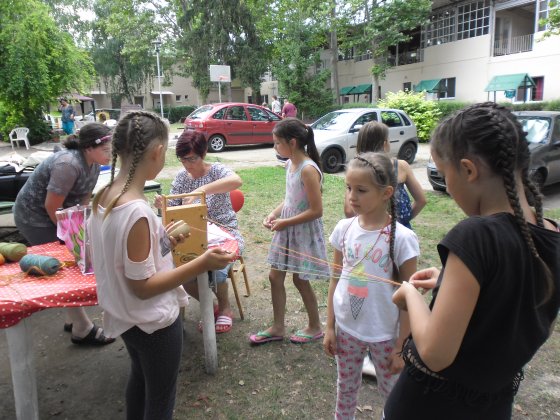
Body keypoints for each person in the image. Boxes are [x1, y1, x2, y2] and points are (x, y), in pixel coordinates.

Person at [385, 102, 560, 419]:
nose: (447, 186)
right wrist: (452, 282)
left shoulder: (477, 235)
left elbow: (435, 354)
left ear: (468, 170)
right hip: (492, 408)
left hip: (428, 408)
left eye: (444, 172)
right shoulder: (552, 235)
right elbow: (524, 317)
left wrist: (411, 296)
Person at [89, 111, 233, 420]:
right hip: (152, 323)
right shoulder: (138, 212)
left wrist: (163, 244)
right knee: (160, 400)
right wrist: (202, 263)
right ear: (156, 152)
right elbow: (142, 288)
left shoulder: (104, 197)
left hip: (127, 320)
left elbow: (121, 259)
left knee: (140, 380)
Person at [324, 152, 419, 418]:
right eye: (349, 188)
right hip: (347, 329)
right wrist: (330, 326)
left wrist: (401, 346)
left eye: (361, 190)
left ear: (387, 192)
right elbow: (335, 279)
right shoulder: (343, 229)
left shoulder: (402, 239)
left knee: (392, 393)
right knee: (346, 388)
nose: (352, 196)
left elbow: (409, 297)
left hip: (386, 335)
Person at [13, 123, 115, 345]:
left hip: (59, 215)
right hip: (35, 216)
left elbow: (84, 200)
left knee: (72, 258)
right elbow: (52, 207)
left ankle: (72, 318)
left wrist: (83, 228)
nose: (111, 155)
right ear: (88, 148)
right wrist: (67, 236)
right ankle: (82, 328)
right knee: (63, 264)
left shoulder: (95, 164)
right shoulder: (68, 164)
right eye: (106, 150)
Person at [154, 130, 245, 334]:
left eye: (192, 158)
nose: (187, 164)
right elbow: (173, 210)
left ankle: (225, 307)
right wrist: (163, 206)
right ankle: (209, 307)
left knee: (219, 266)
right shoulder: (181, 178)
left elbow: (236, 181)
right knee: (181, 272)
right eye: (183, 159)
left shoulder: (216, 171)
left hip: (225, 232)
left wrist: (200, 191)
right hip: (191, 234)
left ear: (203, 153)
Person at [249, 117, 330, 345]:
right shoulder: (290, 164)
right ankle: (278, 327)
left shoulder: (308, 169)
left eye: (277, 143)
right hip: (288, 228)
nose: (275, 147)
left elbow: (316, 210)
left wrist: (286, 222)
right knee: (275, 276)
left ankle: (315, 326)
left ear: (292, 142)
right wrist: (274, 214)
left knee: (300, 280)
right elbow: (290, 200)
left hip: (301, 231)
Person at [344, 121, 426, 230]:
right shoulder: (401, 166)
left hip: (368, 230)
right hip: (398, 230)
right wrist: (403, 220)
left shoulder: (356, 170)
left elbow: (349, 211)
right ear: (385, 144)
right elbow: (421, 200)